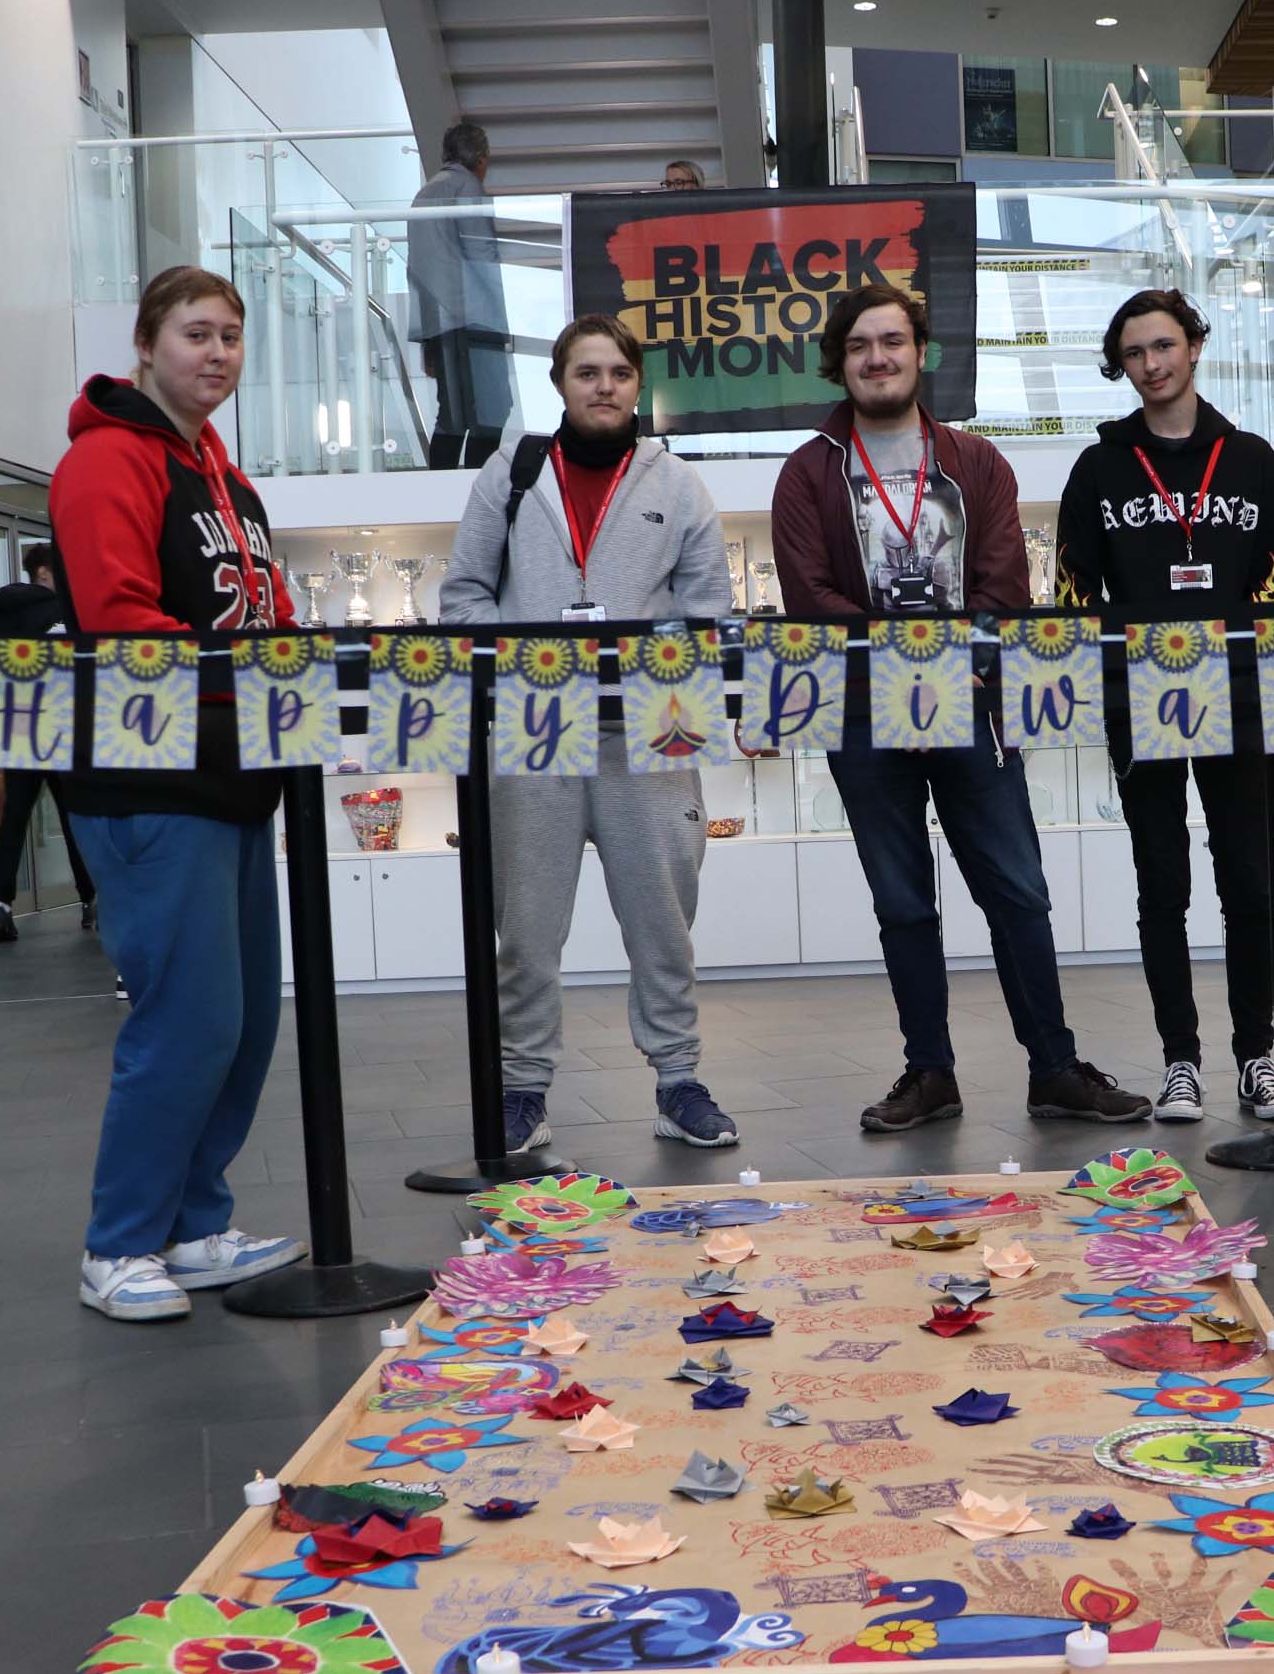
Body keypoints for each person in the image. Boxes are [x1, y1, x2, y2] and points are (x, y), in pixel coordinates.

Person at [771, 281, 1150, 1132]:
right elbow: (810, 598)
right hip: (864, 715)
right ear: (839, 362)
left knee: (1018, 893)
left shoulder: (976, 463)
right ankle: (929, 1073)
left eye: (892, 341)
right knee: (903, 903)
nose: (878, 358)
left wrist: (947, 670)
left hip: (973, 707)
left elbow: (1004, 586)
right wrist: (903, 670)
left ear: (919, 352)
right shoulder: (807, 473)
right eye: (861, 345)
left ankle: (1054, 1068)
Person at [49, 264, 309, 1320]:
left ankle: (195, 1223)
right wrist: (262, 677)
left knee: (241, 1025)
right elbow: (120, 620)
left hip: (233, 776)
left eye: (230, 337)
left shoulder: (227, 479)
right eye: (196, 333)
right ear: (147, 343)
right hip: (148, 780)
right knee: (187, 1022)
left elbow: (271, 611)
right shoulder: (108, 459)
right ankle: (117, 1245)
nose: (216, 353)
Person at [440, 312, 741, 1152]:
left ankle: (678, 1082)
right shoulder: (511, 472)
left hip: (655, 728)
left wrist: (653, 669)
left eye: (618, 373)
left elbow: (709, 610)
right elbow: (463, 596)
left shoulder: (677, 484)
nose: (604, 387)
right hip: (536, 724)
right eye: (586, 373)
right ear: (560, 384)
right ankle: (522, 1090)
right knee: (527, 931)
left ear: (637, 384)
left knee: (664, 925)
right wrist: (529, 662)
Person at [1055, 288, 1274, 1125]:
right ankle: (1181, 1062)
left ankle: (1258, 1055)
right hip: (1142, 699)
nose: (1151, 365)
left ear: (1194, 346)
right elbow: (1073, 593)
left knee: (1250, 885)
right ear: (1120, 366)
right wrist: (1105, 681)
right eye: (1134, 353)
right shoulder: (1099, 469)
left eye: (1163, 346)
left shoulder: (1253, 460)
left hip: (1238, 699)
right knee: (1163, 885)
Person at [0, 540, 96, 941]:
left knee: (14, 816)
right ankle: (89, 900)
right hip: (61, 727)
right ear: (45, 574)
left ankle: (0, 905)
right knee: (72, 816)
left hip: (16, 727)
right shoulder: (62, 614)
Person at [407, 121, 514, 470]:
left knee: (452, 412)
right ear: (481, 158)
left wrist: (426, 339)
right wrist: (507, 318)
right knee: (494, 408)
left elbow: (417, 268)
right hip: (475, 318)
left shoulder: (424, 193)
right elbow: (483, 256)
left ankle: (439, 483)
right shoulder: (468, 186)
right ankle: (474, 481)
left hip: (439, 321)